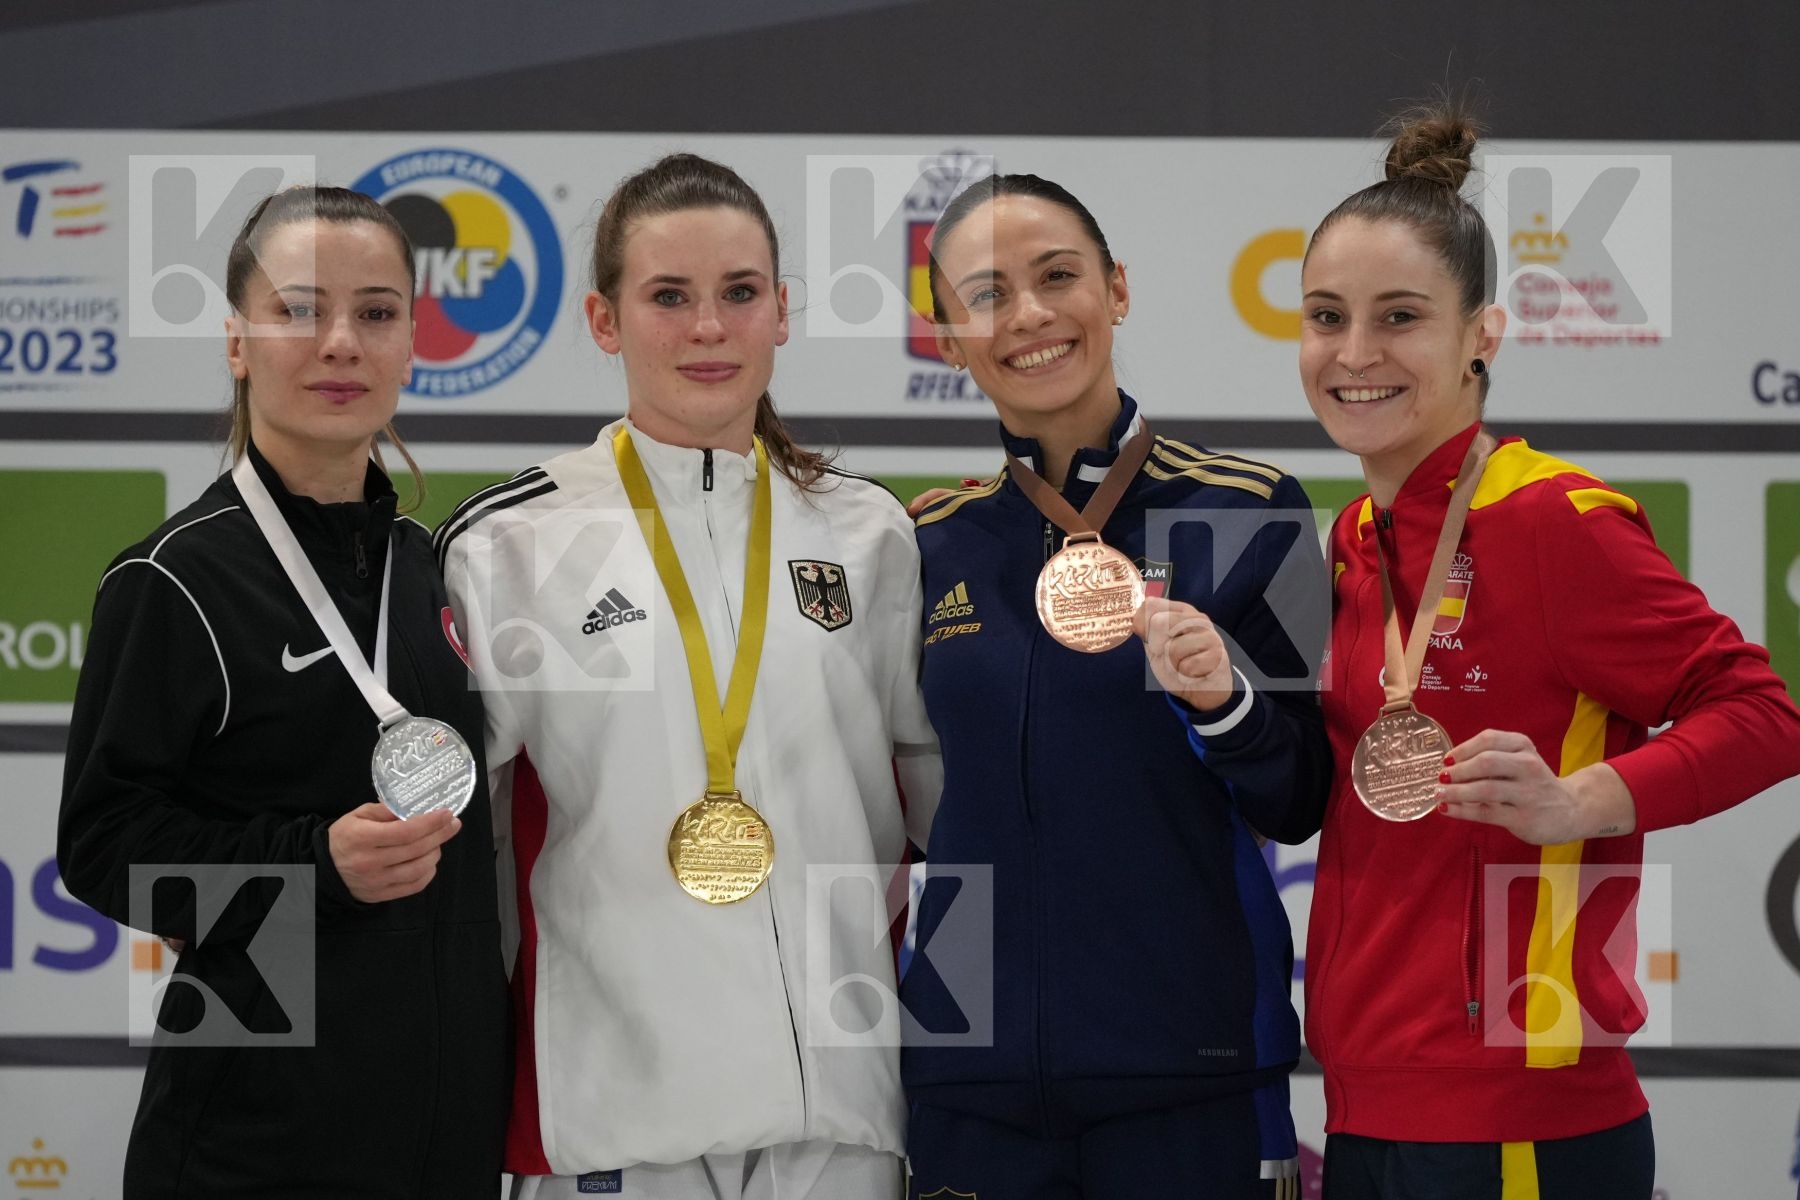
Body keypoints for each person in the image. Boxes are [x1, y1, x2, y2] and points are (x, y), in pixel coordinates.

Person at [1298, 104, 1800, 1198]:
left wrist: (1586, 800)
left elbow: (1764, 714)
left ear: (1484, 332)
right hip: (1365, 1105)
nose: (1354, 354)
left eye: (1400, 317)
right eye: (1326, 316)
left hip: (1520, 1118)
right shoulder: (1357, 540)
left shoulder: (1551, 521)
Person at [435, 153, 940, 1200]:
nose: (709, 327)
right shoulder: (511, 547)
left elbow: (944, 815)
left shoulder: (869, 535)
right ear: (605, 319)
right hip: (613, 1118)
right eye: (669, 296)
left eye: (739, 294)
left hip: (840, 1120)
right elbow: (450, 848)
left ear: (782, 312)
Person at [58, 186, 509, 1197]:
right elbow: (101, 849)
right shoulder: (174, 579)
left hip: (447, 1132)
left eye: (378, 313)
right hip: (255, 1142)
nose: (341, 343)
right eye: (300, 309)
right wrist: (312, 865)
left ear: (410, 343)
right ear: (236, 342)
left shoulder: (437, 569)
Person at [900, 173, 1332, 1199]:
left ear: (1119, 289)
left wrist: (1226, 702)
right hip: (970, 1072)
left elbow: (1304, 791)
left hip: (1190, 1067)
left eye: (1060, 277)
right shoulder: (924, 541)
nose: (1033, 315)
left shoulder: (1253, 506)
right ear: (950, 336)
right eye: (989, 294)